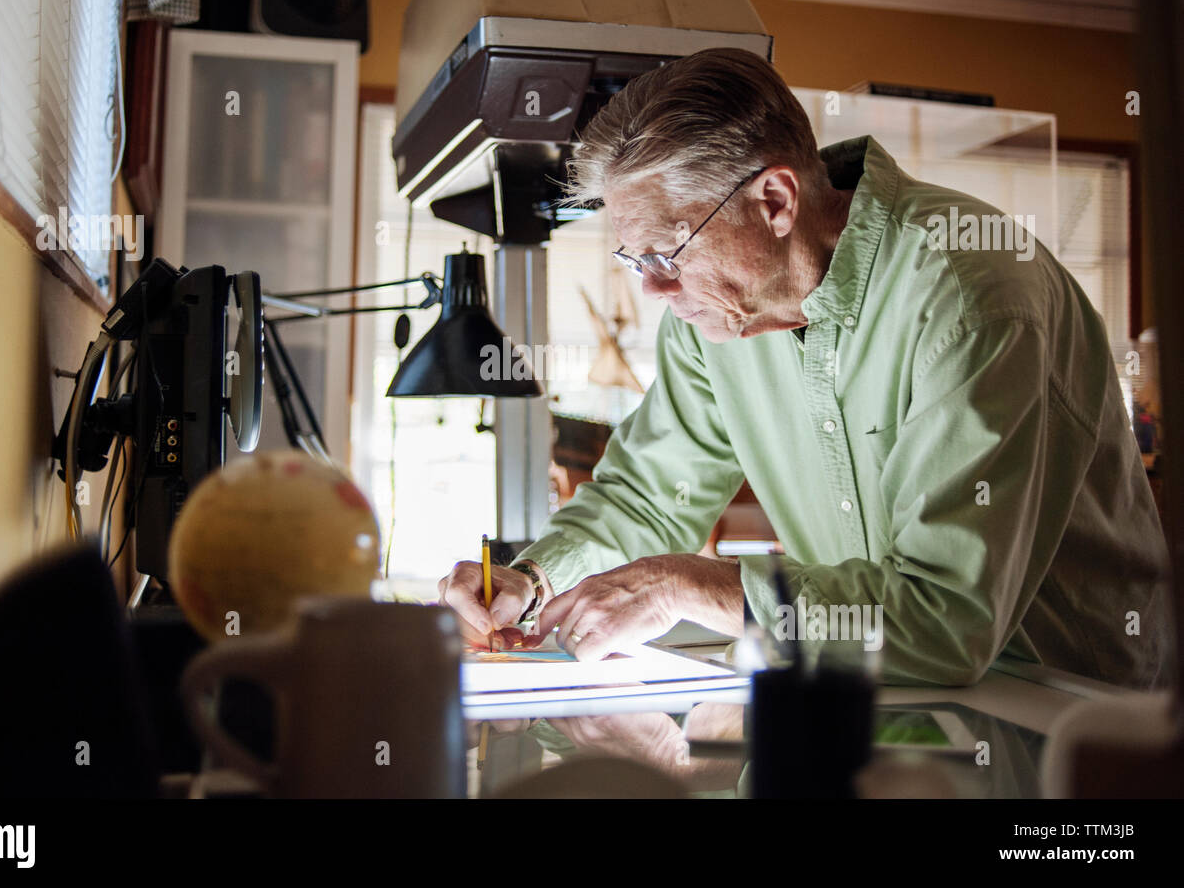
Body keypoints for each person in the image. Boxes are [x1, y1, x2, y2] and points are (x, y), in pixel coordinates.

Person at [438, 48, 1172, 688]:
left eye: (667, 253)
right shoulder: (713, 321)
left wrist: (686, 586)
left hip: (1067, 704)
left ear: (776, 200)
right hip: (886, 692)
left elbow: (945, 620)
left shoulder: (969, 297)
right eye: (635, 260)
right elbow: (649, 498)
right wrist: (532, 581)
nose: (654, 291)